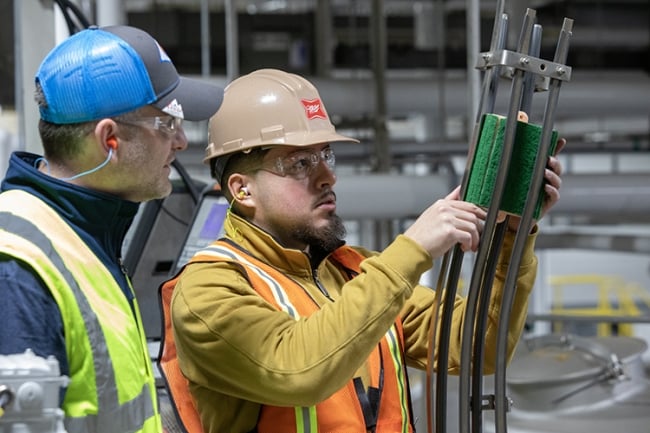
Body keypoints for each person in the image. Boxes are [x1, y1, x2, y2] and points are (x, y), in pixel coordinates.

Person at [162, 68, 564, 433]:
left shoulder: (353, 272)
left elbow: (478, 347)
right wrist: (412, 250)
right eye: (300, 163)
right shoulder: (209, 290)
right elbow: (297, 370)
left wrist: (513, 234)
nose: (327, 175)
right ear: (242, 189)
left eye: (325, 155)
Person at [0, 25, 223, 433]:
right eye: (167, 124)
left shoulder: (84, 237)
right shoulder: (18, 270)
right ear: (110, 139)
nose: (180, 143)